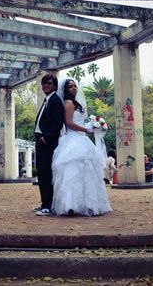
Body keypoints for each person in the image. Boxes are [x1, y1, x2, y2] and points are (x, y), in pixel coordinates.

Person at [51, 78, 111, 216]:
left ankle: (85, 204)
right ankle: (71, 205)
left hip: (81, 139)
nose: (74, 88)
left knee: (85, 173)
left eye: (75, 86)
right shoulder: (68, 103)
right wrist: (86, 130)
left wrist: (92, 125)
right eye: (70, 87)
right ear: (65, 90)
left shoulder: (75, 103)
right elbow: (68, 123)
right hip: (73, 139)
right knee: (73, 172)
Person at [33, 74, 65, 216]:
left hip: (48, 143)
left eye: (49, 83)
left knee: (47, 174)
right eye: (44, 83)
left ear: (55, 86)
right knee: (41, 173)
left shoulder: (55, 101)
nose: (46, 85)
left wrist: (46, 138)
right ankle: (44, 203)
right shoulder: (47, 100)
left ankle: (48, 205)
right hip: (40, 141)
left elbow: (58, 123)